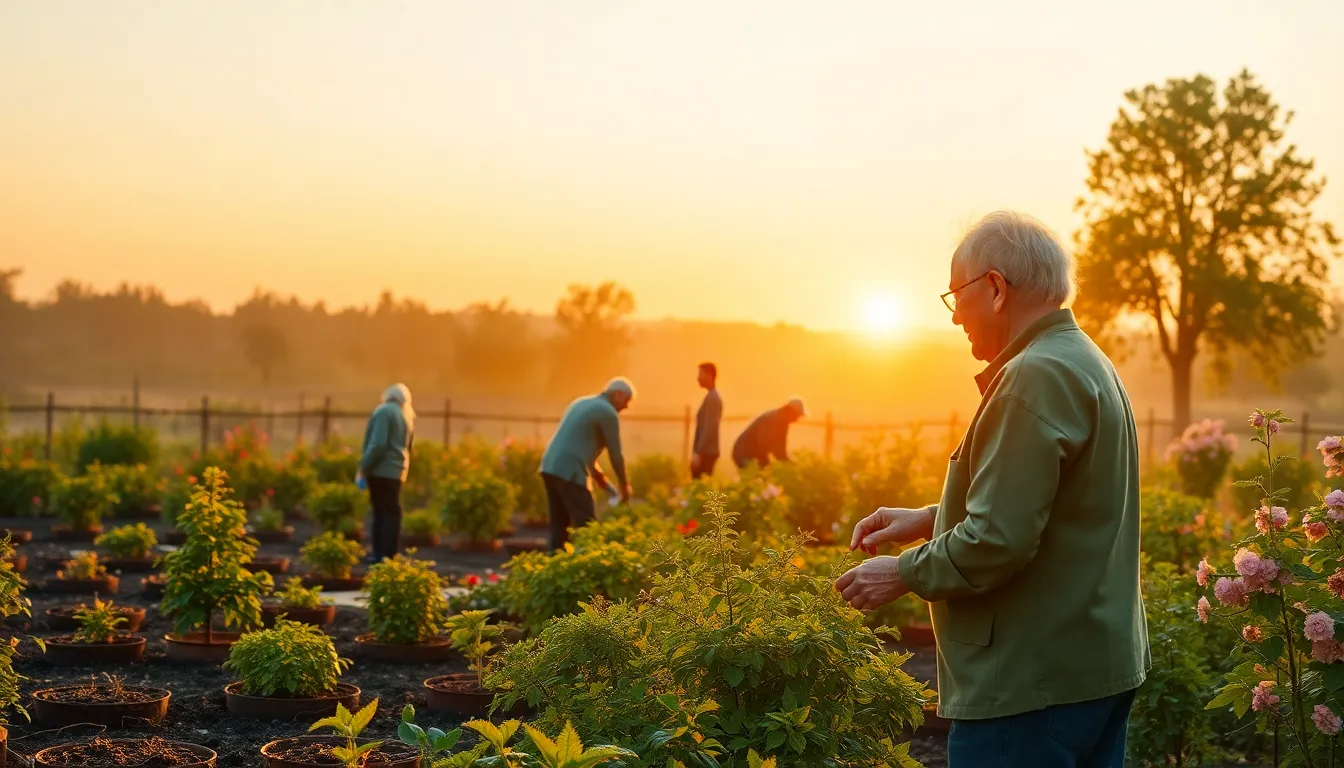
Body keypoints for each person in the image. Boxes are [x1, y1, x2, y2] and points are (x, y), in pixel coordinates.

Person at [834, 211, 1149, 767]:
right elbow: (1049, 509)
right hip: (1089, 669)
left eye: (957, 296)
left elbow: (998, 539)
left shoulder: (1033, 375)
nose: (955, 318)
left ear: (996, 289)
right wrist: (931, 517)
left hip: (1029, 687)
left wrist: (901, 572)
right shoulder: (1084, 359)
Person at [539, 377, 634, 551]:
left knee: (559, 527)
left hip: (550, 466)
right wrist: (624, 484)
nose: (627, 407)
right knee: (587, 527)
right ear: (618, 395)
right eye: (627, 401)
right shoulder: (607, 412)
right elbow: (615, 453)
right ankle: (590, 569)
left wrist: (599, 477)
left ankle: (554, 567)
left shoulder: (581, 402)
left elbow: (578, 444)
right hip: (570, 470)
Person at [358, 383, 415, 565]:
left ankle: (380, 554)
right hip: (396, 471)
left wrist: (364, 468)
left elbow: (378, 444)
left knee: (382, 512)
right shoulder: (406, 415)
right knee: (391, 512)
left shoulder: (383, 411)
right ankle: (388, 555)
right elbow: (409, 447)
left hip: (381, 469)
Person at [731, 398, 805, 470]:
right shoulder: (773, 419)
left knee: (765, 472)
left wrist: (787, 462)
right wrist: (783, 460)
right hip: (744, 453)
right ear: (791, 411)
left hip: (755, 454)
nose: (798, 419)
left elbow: (781, 448)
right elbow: (764, 442)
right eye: (798, 415)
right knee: (755, 474)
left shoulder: (783, 422)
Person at [690, 362, 723, 479]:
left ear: (709, 376)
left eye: (701, 374)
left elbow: (710, 428)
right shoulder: (711, 397)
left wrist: (699, 453)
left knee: (700, 488)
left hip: (707, 453)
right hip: (706, 452)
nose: (698, 378)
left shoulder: (713, 399)